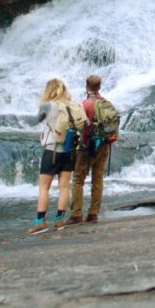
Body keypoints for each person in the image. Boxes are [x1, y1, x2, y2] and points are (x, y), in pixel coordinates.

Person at [28, 78, 85, 235]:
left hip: (52, 150)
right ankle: (60, 220)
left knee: (44, 187)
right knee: (65, 187)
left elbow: (38, 119)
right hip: (70, 150)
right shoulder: (74, 105)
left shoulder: (48, 105)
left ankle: (40, 221)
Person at [67, 74, 111, 224]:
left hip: (87, 146)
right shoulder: (107, 103)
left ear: (87, 86)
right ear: (99, 87)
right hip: (104, 145)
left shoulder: (84, 105)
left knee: (78, 179)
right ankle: (93, 213)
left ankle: (76, 214)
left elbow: (80, 127)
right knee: (97, 178)